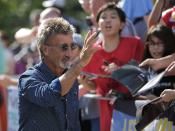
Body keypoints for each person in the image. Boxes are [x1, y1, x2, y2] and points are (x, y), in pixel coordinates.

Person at [18, 17, 99, 131]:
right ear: (45, 49)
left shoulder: (70, 76)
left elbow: (73, 124)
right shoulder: (28, 78)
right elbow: (49, 97)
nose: (69, 54)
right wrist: (79, 65)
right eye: (64, 47)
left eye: (72, 46)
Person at [80, 3, 144, 131]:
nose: (107, 20)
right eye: (103, 17)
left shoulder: (134, 44)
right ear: (98, 23)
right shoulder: (91, 52)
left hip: (132, 113)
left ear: (122, 24)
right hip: (106, 115)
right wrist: (85, 84)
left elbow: (143, 77)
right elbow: (93, 87)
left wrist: (122, 71)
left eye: (113, 17)